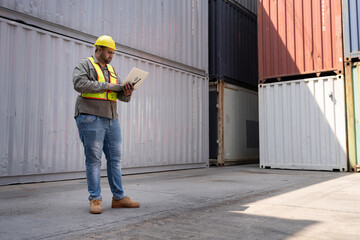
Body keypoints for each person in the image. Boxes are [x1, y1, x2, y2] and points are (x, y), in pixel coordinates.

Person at [73, 35, 140, 214]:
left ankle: (118, 198)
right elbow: (79, 84)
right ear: (99, 49)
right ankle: (95, 199)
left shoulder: (112, 70)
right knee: (94, 160)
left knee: (115, 160)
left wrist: (127, 91)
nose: (111, 56)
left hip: (112, 119)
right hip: (90, 117)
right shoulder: (85, 65)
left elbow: (122, 98)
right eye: (109, 52)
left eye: (113, 53)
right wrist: (109, 86)